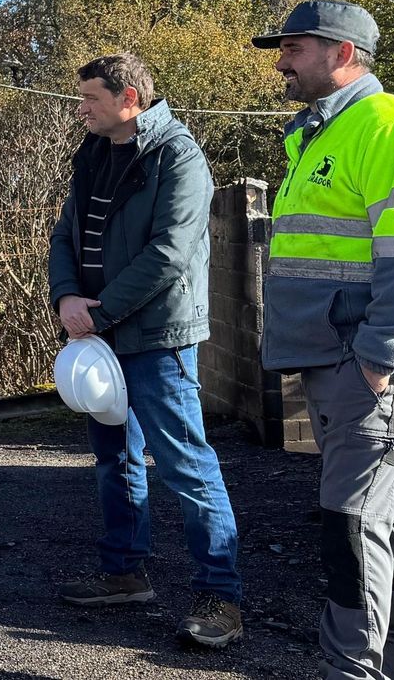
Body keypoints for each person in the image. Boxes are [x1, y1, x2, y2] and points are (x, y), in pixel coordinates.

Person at [253, 0, 394, 679]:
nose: (281, 63)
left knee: (351, 522)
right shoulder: (319, 135)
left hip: (380, 362)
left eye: (293, 48)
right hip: (346, 357)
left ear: (342, 53)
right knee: (386, 515)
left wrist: (376, 362)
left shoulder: (389, 126)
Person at [46, 53, 243, 648]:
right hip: (99, 336)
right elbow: (64, 235)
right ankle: (124, 573)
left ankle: (222, 599)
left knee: (186, 466)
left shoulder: (178, 156)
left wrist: (99, 310)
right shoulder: (94, 156)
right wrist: (67, 297)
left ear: (129, 98)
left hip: (156, 339)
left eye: (91, 100)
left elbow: (170, 252)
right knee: (116, 461)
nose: (80, 109)